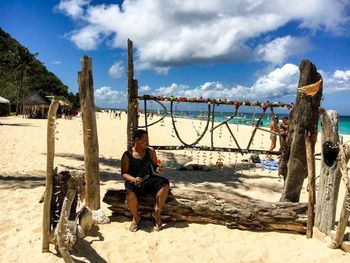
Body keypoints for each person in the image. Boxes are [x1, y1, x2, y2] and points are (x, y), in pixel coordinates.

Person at [121, 129, 170, 232]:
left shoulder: (150, 151)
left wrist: (158, 168)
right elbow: (124, 174)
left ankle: (156, 212)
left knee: (165, 183)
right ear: (137, 140)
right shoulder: (127, 155)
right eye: (145, 140)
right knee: (130, 193)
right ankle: (136, 218)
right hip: (133, 182)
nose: (147, 142)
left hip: (148, 179)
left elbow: (155, 166)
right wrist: (133, 179)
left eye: (147, 139)